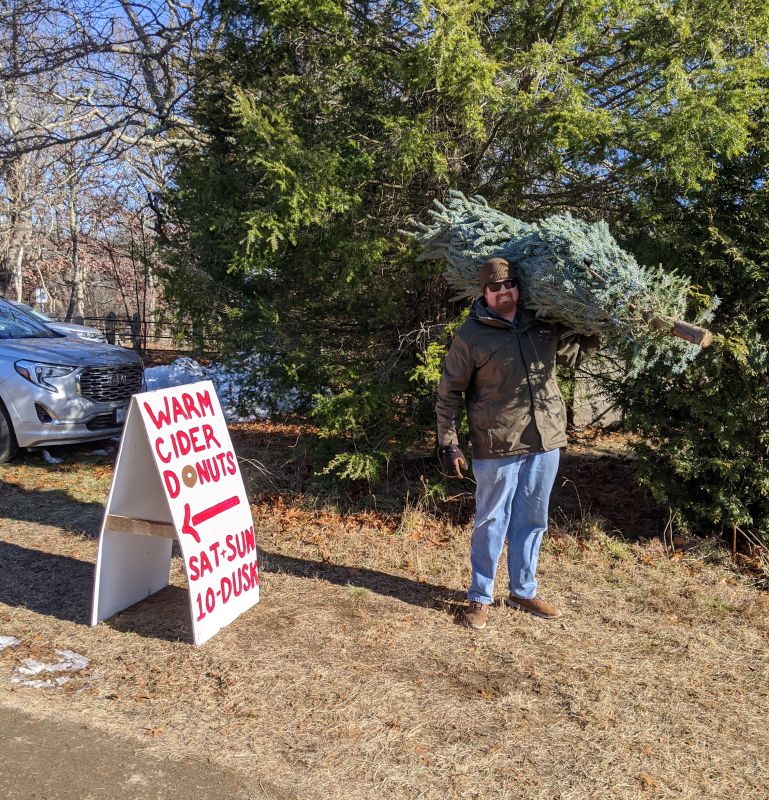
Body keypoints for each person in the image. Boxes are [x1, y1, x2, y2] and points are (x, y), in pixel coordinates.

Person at [436, 257, 599, 630]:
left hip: (545, 439)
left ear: (518, 288)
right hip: (497, 445)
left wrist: (599, 324)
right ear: (484, 292)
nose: (503, 292)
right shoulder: (472, 335)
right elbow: (449, 394)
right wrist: (449, 444)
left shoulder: (541, 324)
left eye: (509, 285)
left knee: (533, 518)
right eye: (495, 288)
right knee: (492, 519)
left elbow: (573, 356)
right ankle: (480, 597)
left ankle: (523, 590)